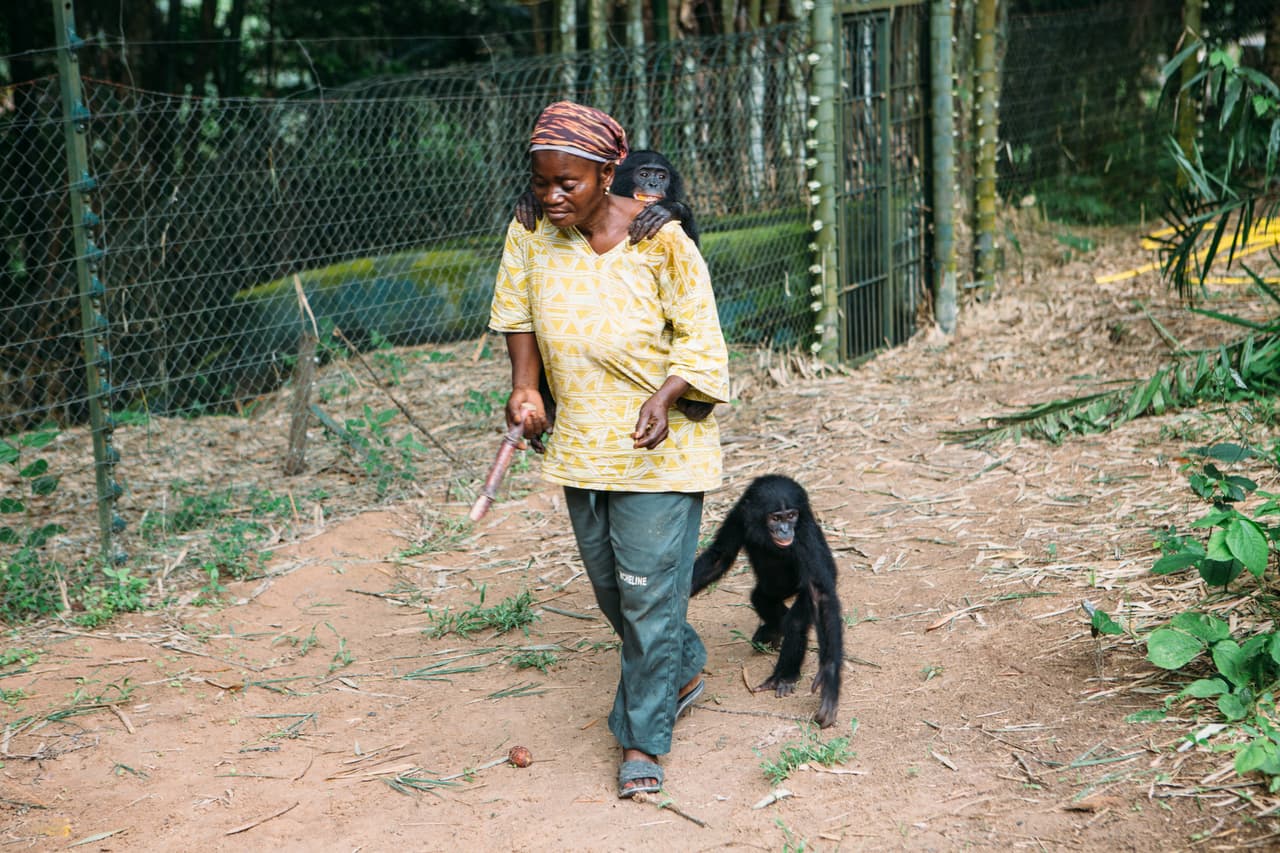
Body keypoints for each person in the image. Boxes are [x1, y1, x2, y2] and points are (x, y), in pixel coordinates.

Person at [487, 101, 730, 799]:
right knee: (613, 592)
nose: (553, 196)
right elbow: (518, 313)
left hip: (662, 449)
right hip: (583, 446)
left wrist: (666, 392)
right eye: (542, 183)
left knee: (648, 597)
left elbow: (704, 339)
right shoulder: (532, 232)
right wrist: (526, 388)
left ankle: (641, 740)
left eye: (569, 183)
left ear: (605, 172)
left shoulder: (663, 239)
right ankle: (682, 664)